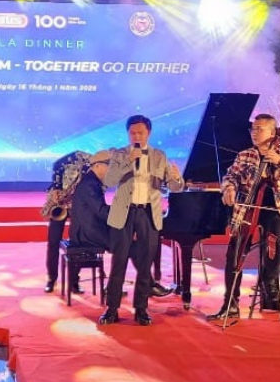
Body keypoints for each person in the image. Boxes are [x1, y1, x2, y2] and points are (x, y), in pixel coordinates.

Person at [210, 114, 280, 321]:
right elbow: (231, 176)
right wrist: (229, 188)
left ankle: (267, 281)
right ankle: (230, 303)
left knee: (277, 245)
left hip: (276, 209)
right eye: (253, 129)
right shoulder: (245, 155)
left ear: (272, 132)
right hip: (248, 209)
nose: (254, 133)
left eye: (259, 129)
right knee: (234, 252)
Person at [100, 115, 183, 326]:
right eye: (133, 133)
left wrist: (176, 178)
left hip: (148, 212)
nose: (136, 136)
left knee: (145, 264)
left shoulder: (159, 156)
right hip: (124, 213)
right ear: (128, 133)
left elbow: (174, 187)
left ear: (149, 133)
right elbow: (109, 180)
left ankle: (141, 309)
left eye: (141, 133)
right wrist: (129, 160)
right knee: (119, 262)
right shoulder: (120, 154)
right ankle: (112, 309)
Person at [61, 150, 114, 292]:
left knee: (124, 242)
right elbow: (101, 211)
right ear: (97, 166)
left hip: (86, 229)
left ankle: (114, 285)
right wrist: (121, 214)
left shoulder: (91, 181)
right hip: (87, 233)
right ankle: (113, 287)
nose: (111, 170)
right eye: (109, 165)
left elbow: (98, 210)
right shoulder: (90, 184)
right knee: (124, 246)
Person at [42, 150, 92, 292]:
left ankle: (74, 281)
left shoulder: (91, 163)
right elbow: (56, 166)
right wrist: (56, 189)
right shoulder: (67, 160)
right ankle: (51, 279)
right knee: (53, 242)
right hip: (60, 203)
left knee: (77, 243)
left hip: (78, 204)